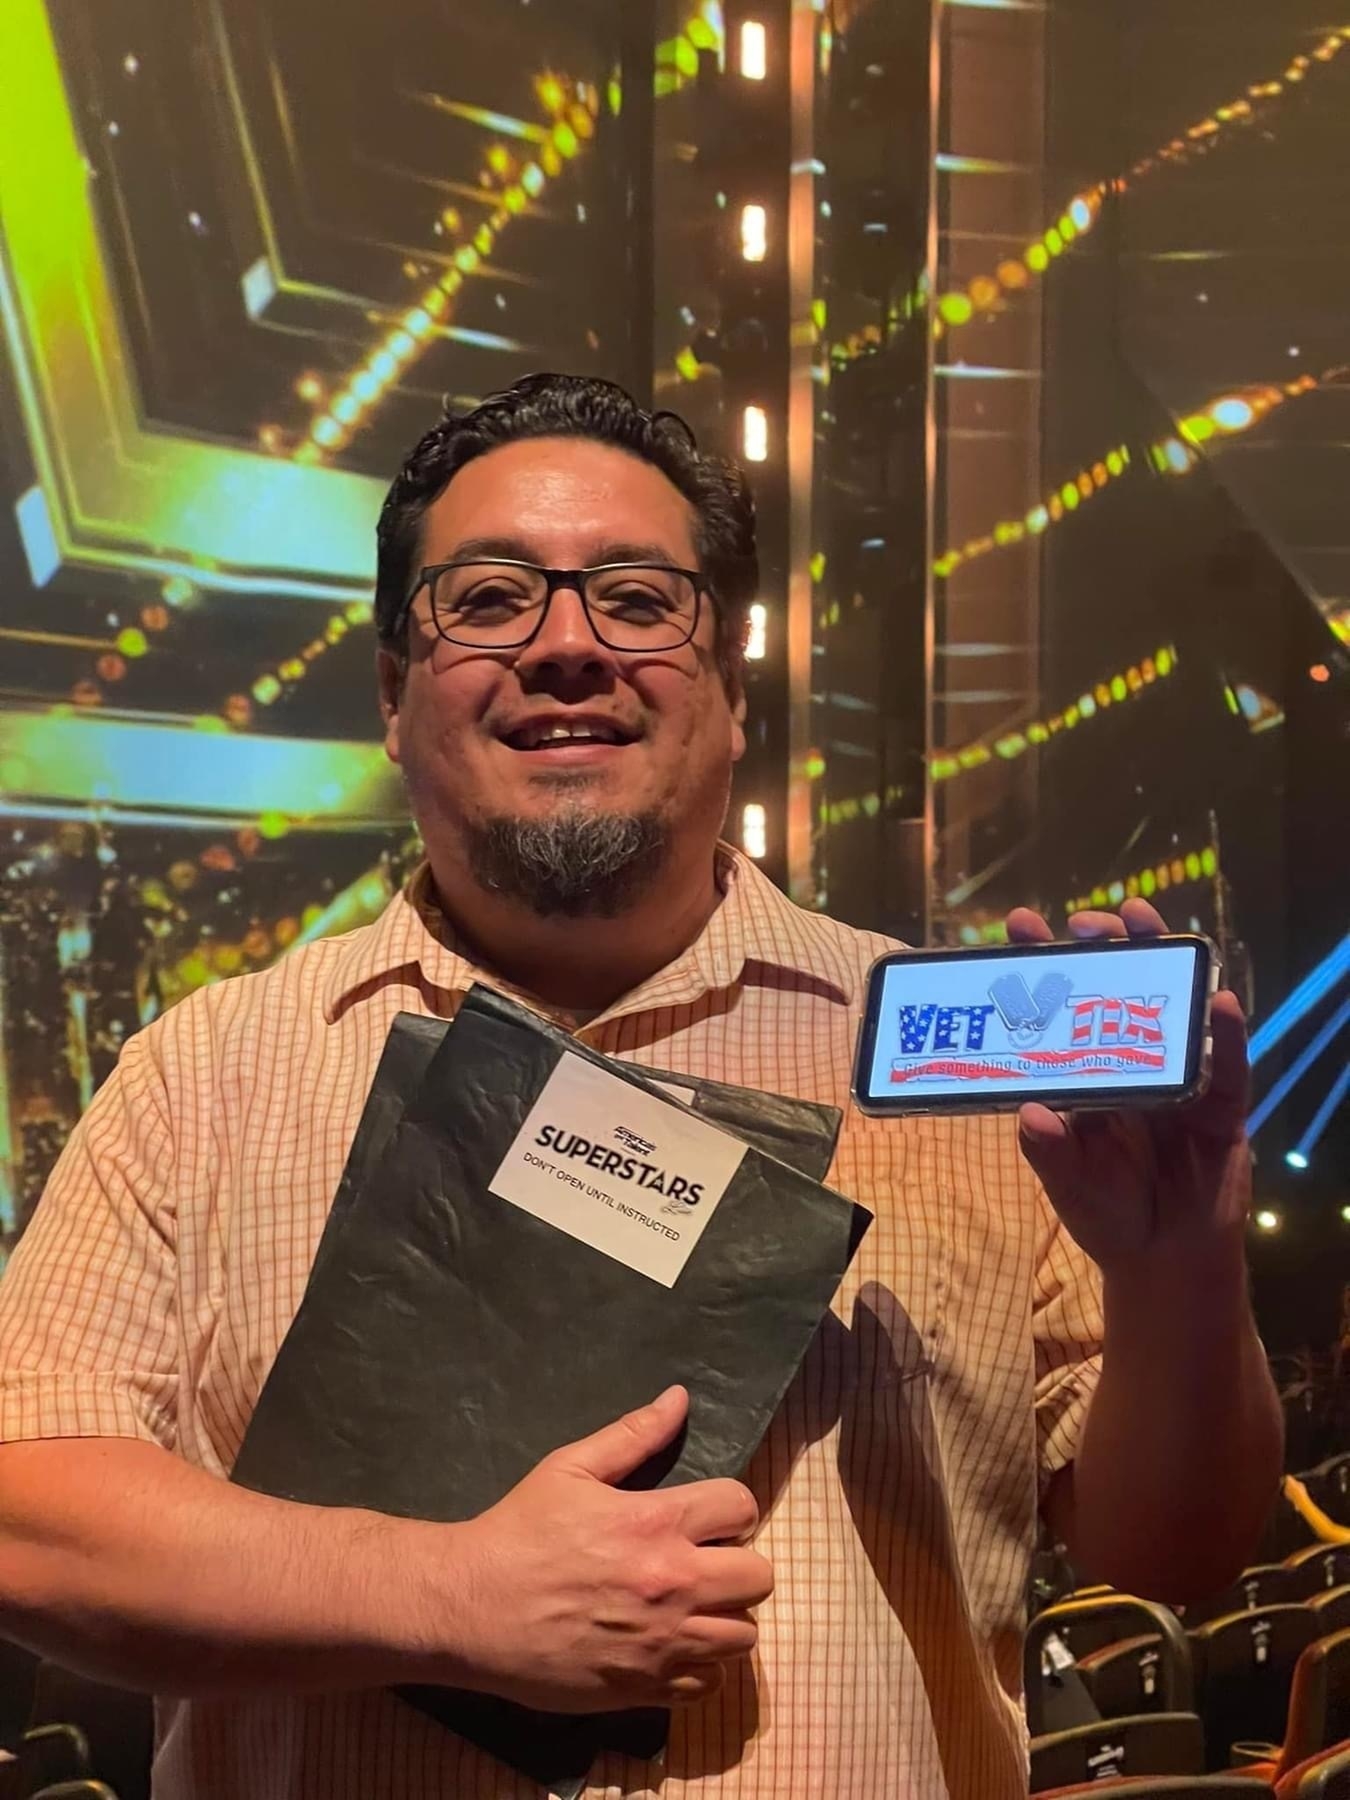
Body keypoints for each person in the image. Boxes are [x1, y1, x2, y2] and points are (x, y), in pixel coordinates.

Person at [0, 374, 1282, 1800]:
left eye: (636, 599)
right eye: (490, 600)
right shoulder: (205, 1073)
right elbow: (27, 1520)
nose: (567, 647)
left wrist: (1179, 1268)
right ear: (393, 694)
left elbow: (1175, 1550)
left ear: (731, 694)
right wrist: (450, 1595)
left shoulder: (978, 1083)